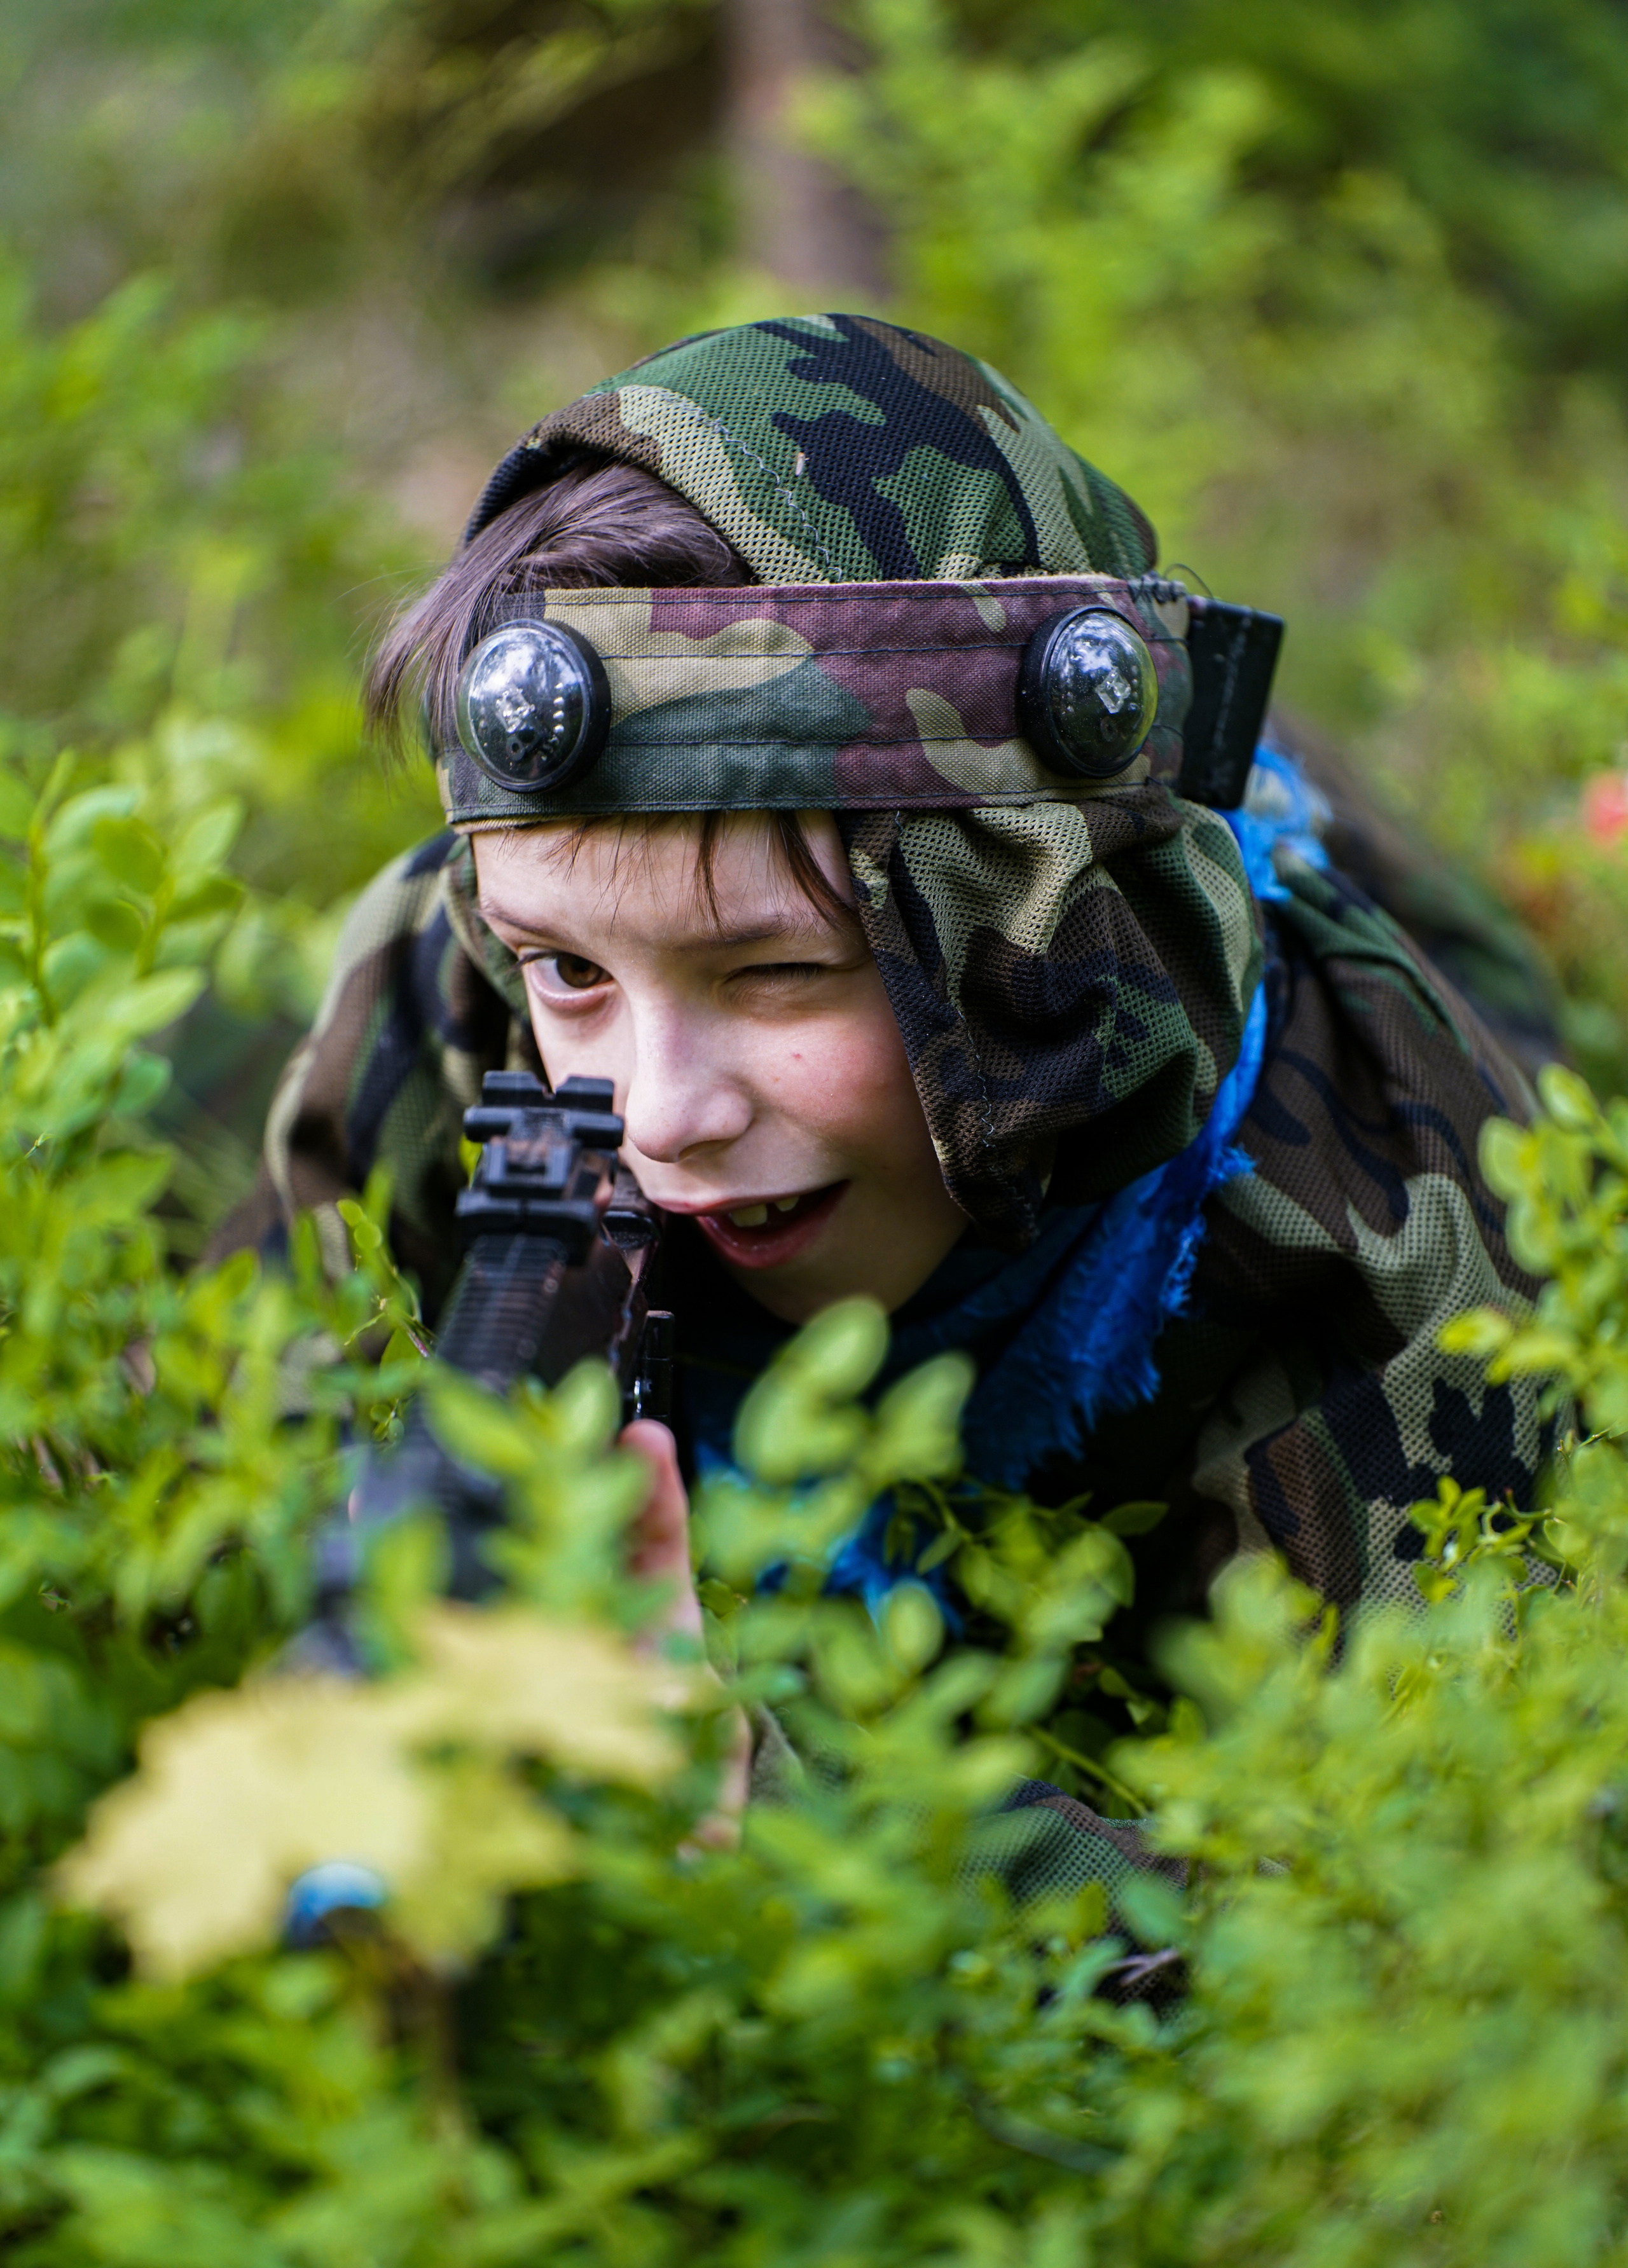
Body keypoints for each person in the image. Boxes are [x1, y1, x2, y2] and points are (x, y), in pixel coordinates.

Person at [215, 312, 1552, 1644]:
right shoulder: (459, 986)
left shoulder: (1388, 1212)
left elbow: (1385, 1839)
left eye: (778, 972)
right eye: (570, 970)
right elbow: (200, 1470)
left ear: (1017, 928)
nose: (656, 1114)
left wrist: (752, 1803)